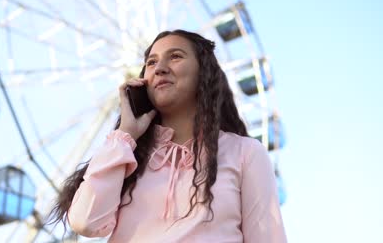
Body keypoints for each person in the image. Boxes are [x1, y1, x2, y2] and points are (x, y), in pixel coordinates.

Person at [49, 29, 287, 242]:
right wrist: (125, 135)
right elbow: (85, 223)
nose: (160, 68)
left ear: (204, 72)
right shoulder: (126, 155)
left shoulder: (244, 153)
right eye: (151, 63)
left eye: (175, 56)